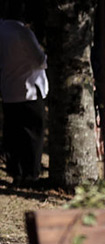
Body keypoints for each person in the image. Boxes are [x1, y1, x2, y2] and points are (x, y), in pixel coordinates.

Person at [0, 15, 48, 186]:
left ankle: (17, 172)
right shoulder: (22, 31)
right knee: (33, 136)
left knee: (14, 136)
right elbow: (39, 60)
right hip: (30, 91)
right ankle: (31, 174)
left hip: (9, 91)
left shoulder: (2, 31)